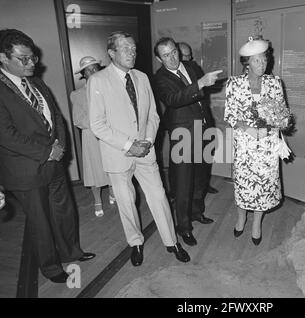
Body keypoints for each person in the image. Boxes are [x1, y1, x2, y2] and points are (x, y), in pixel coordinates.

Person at [0, 29, 95, 283]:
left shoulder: (36, 82)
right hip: (26, 170)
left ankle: (72, 251)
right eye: (24, 59)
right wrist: (46, 151)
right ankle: (51, 267)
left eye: (32, 57)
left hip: (54, 162)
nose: (33, 63)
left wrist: (60, 147)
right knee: (40, 222)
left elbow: (57, 118)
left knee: (64, 212)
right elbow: (6, 134)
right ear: (2, 58)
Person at [88, 31, 190, 266]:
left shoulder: (143, 78)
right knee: (126, 203)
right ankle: (136, 242)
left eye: (133, 49)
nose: (132, 53)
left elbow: (153, 115)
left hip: (145, 150)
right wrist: (128, 145)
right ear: (111, 53)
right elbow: (97, 125)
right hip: (118, 154)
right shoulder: (98, 81)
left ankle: (172, 242)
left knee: (159, 196)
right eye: (126, 49)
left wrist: (147, 141)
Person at [152, 37, 221, 247]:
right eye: (165, 55)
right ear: (158, 58)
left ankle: (197, 212)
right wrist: (199, 83)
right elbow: (174, 99)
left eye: (173, 52)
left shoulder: (191, 66)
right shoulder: (160, 78)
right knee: (182, 184)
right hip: (182, 135)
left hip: (203, 129)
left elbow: (202, 95)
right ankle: (184, 227)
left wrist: (202, 84)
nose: (172, 58)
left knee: (201, 177)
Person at [224, 37, 289, 245]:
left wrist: (281, 122)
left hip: (268, 144)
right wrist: (248, 129)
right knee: (243, 184)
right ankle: (242, 217)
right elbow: (230, 115)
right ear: (247, 63)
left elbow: (282, 114)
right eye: (257, 61)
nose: (262, 65)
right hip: (245, 144)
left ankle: (257, 223)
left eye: (264, 60)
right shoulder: (234, 83)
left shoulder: (275, 83)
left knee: (264, 184)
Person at [71, 56, 115, 217]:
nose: (91, 72)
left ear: (99, 69)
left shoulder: (109, 89)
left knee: (112, 165)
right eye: (87, 70)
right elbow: (78, 119)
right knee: (94, 169)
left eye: (94, 68)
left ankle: (112, 191)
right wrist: (97, 120)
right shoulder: (77, 94)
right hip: (91, 136)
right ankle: (97, 200)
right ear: (83, 74)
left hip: (109, 134)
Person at [177, 41, 218, 195]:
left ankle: (203, 185)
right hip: (186, 126)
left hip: (204, 121)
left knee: (206, 156)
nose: (191, 59)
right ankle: (189, 192)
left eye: (190, 55)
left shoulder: (193, 68)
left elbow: (204, 91)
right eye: (187, 56)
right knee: (188, 165)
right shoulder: (172, 75)